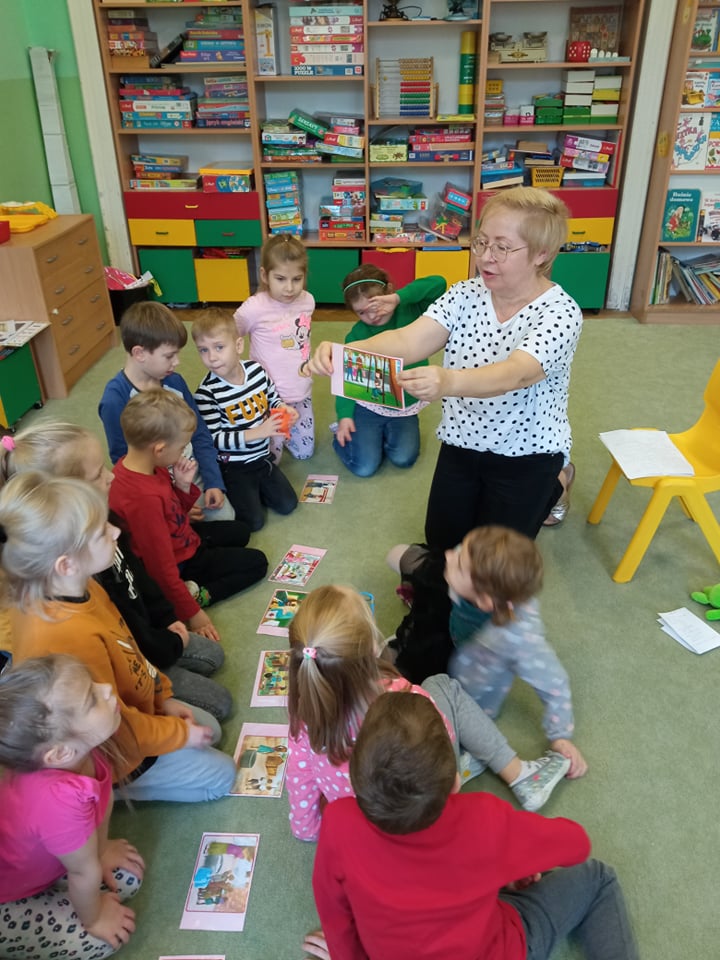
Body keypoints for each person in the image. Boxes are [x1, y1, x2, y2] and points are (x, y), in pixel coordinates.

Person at [307, 186, 583, 548]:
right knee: (442, 543)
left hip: (527, 449)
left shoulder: (561, 313)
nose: (486, 257)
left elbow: (516, 373)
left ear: (541, 254)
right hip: (464, 436)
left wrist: (447, 381)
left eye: (502, 247)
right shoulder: (465, 294)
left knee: (493, 557)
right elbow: (409, 341)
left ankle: (558, 480)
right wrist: (345, 350)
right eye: (481, 242)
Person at [312, 691, 638, 960]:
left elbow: (334, 912)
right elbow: (576, 845)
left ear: (355, 779)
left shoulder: (338, 823)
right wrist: (511, 860)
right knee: (598, 878)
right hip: (495, 948)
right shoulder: (484, 818)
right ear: (455, 782)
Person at [0, 473, 236, 803]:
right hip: (111, 743)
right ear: (66, 565)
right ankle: (102, 789)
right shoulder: (68, 636)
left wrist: (164, 698)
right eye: (101, 532)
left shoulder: (83, 584)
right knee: (222, 772)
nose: (115, 531)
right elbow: (117, 726)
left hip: (131, 707)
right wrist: (178, 733)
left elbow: (129, 649)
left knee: (209, 725)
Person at [286, 585, 570, 843]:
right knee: (442, 685)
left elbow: (300, 775)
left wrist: (308, 828)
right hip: (424, 803)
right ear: (373, 648)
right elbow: (440, 744)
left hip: (368, 824)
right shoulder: (404, 696)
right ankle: (519, 774)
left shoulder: (304, 716)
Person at [0, 424, 232, 721]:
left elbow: (139, 576)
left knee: (213, 656)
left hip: (144, 638)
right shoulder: (84, 573)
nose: (111, 475)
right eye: (98, 473)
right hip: (135, 656)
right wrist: (167, 651)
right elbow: (126, 638)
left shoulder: (99, 523)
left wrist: (167, 619)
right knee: (218, 708)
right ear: (70, 491)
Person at [390, 525, 587, 778]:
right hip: (459, 642)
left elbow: (555, 682)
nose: (450, 555)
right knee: (400, 556)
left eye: (460, 564)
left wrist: (560, 736)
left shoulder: (519, 638)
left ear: (484, 600)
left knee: (422, 726)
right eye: (460, 551)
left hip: (473, 694)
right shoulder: (473, 568)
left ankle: (471, 757)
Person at [0, 655, 145, 960]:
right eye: (92, 699)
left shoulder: (82, 749)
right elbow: (82, 872)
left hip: (44, 864)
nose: (106, 688)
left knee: (126, 879)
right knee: (100, 941)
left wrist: (102, 850)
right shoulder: (58, 801)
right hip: (6, 896)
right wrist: (94, 919)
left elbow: (103, 802)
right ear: (60, 753)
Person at [108, 389, 268, 642]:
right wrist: (192, 613)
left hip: (183, 536)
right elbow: (161, 568)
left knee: (240, 530)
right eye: (182, 447)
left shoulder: (145, 465)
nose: (183, 452)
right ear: (159, 449)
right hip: (180, 559)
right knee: (257, 562)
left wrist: (182, 487)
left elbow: (171, 512)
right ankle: (198, 594)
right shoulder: (143, 499)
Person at [98, 300, 234, 522]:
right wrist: (174, 502)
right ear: (139, 353)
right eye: (169, 356)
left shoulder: (174, 381)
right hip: (157, 488)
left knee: (227, 517)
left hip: (190, 472)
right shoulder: (115, 400)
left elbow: (199, 432)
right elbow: (126, 463)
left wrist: (213, 481)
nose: (177, 362)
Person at [331, 265, 446, 477]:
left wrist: (398, 298)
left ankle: (380, 436)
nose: (371, 315)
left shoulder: (411, 310)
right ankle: (351, 438)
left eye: (375, 305)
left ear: (389, 291)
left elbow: (439, 284)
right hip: (369, 407)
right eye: (361, 312)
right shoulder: (356, 336)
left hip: (404, 406)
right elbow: (344, 382)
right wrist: (344, 417)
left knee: (404, 458)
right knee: (364, 467)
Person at [191, 309, 298, 531]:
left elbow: (272, 398)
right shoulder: (206, 393)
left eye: (219, 347)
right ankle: (244, 494)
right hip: (234, 467)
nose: (212, 357)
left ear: (238, 346)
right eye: (203, 350)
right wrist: (259, 432)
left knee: (288, 504)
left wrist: (283, 408)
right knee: (253, 523)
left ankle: (255, 493)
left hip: (262, 458)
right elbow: (215, 439)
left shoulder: (257, 370)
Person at [234, 234, 315, 462]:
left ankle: (291, 434)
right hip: (269, 397)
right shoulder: (253, 308)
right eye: (280, 279)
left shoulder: (308, 301)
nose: (289, 288)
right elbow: (231, 334)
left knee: (305, 453)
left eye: (297, 279)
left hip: (301, 390)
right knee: (271, 460)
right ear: (265, 275)